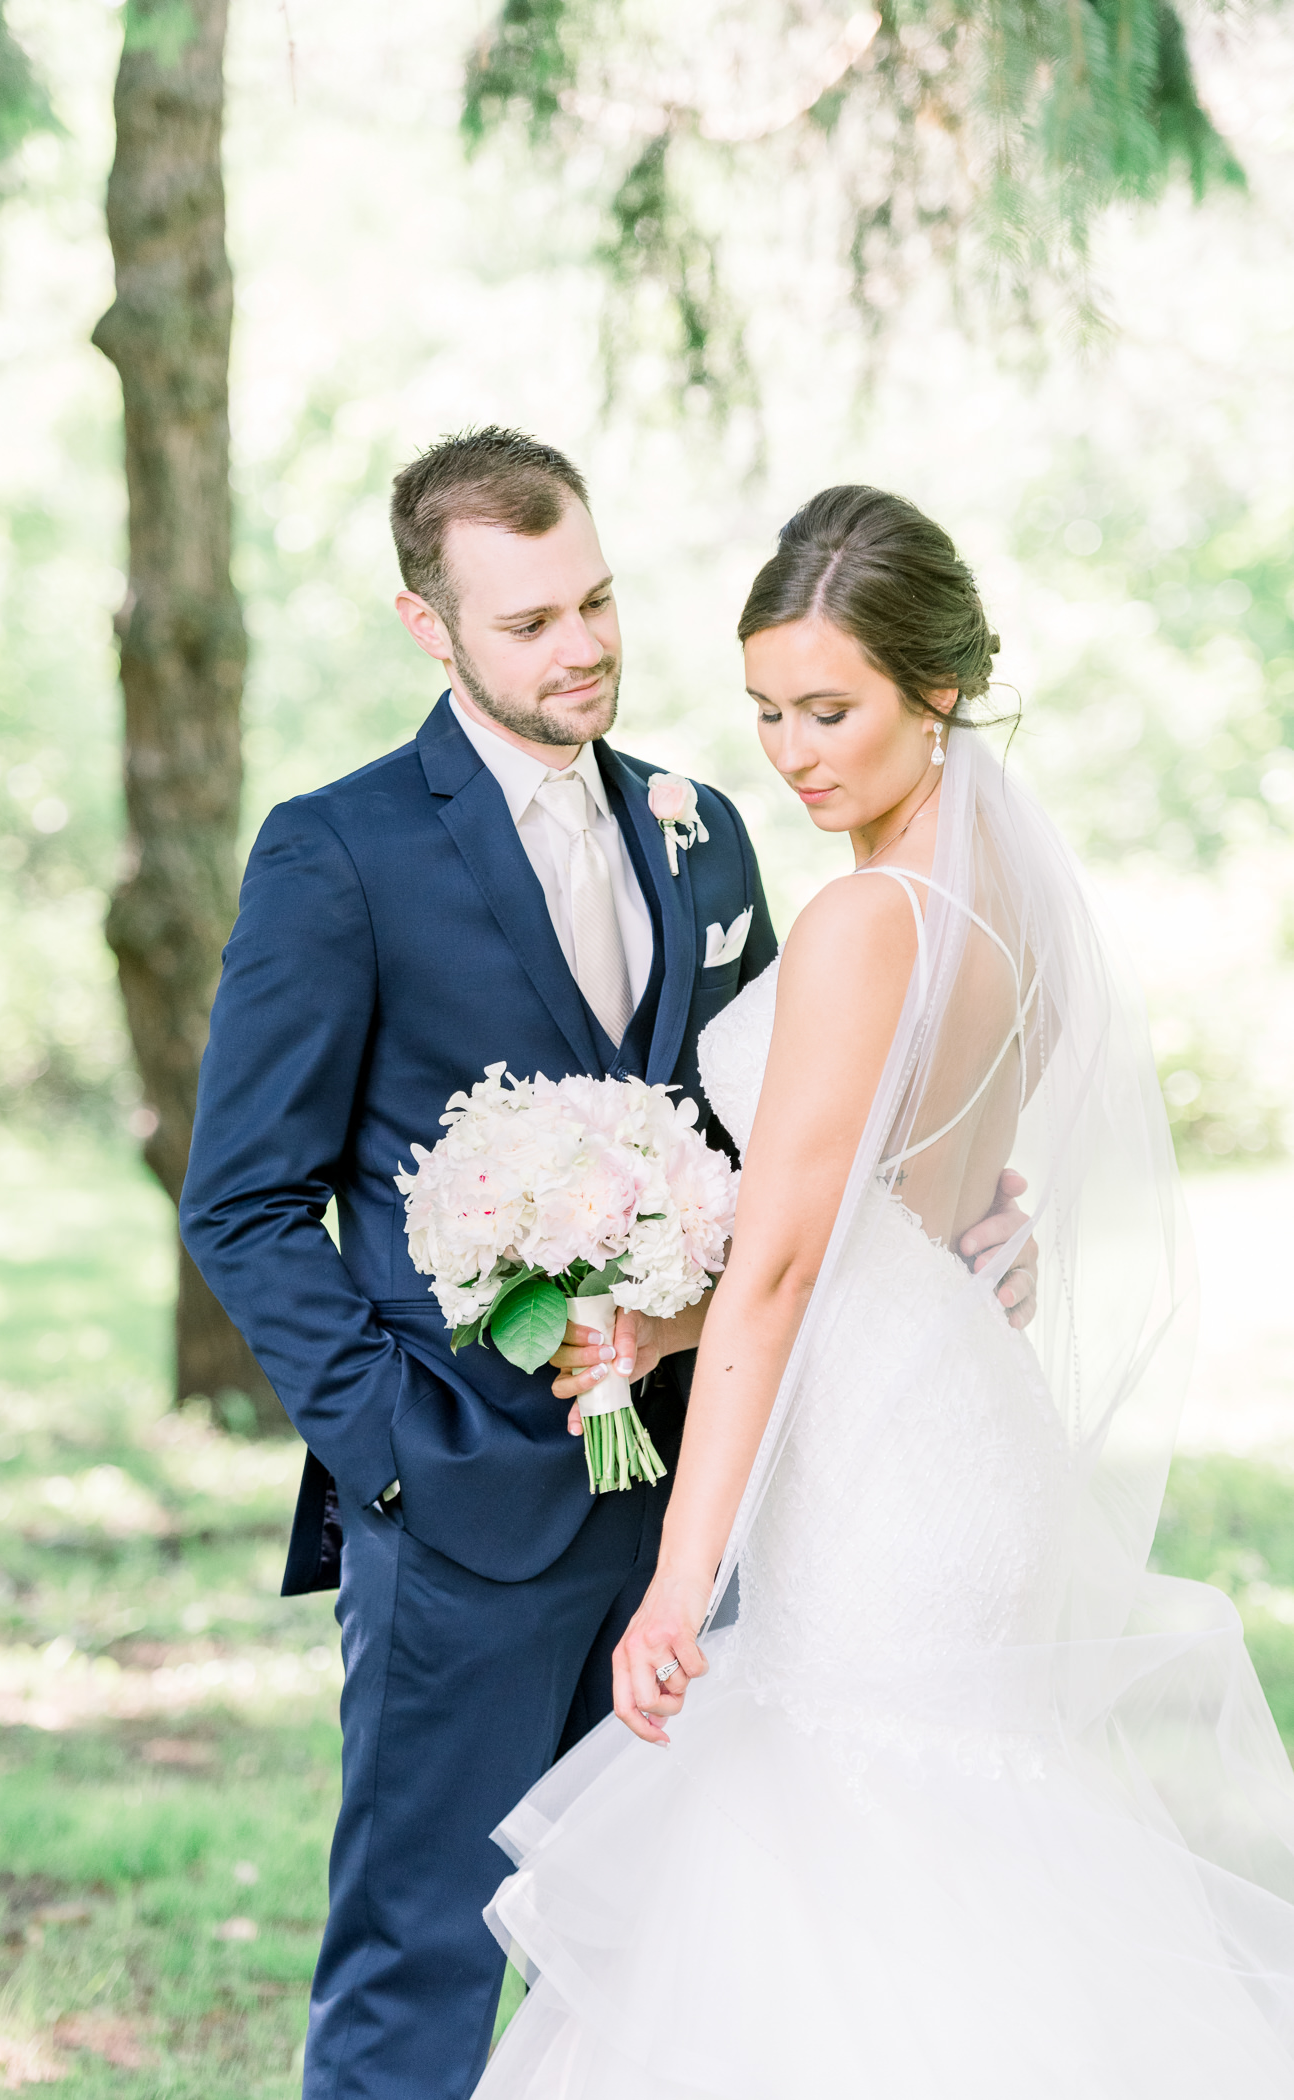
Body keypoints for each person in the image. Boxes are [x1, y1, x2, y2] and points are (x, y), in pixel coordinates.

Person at [180, 439, 1035, 2099]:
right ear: (431, 631)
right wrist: (394, 1461)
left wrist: (947, 1239)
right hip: (459, 1508)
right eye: (525, 625)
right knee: (422, 1956)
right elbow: (245, 1203)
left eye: (597, 600)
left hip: (708, 1522)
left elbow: (786, 1154)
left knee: (676, 1967)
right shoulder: (334, 852)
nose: (578, 647)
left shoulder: (704, 828)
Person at [478, 484, 1294, 2098]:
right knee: (952, 1847)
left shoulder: (863, 918)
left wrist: (674, 1580)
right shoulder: (1020, 913)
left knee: (831, 1847)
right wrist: (668, 1313)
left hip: (871, 1467)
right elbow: (916, 1218)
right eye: (767, 710)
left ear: (939, 688)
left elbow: (788, 1261)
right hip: (955, 1429)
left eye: (831, 709)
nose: (791, 753)